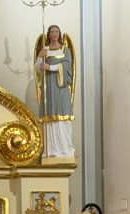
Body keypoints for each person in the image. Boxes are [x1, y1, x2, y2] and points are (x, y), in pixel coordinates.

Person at [35, 24, 76, 161]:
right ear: (48, 34)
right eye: (52, 31)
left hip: (61, 88)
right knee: (50, 117)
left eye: (57, 31)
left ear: (59, 34)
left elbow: (67, 68)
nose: (55, 34)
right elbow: (38, 70)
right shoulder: (45, 50)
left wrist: (50, 66)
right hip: (49, 90)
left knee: (63, 115)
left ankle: (65, 149)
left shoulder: (65, 50)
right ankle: (51, 149)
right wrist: (40, 58)